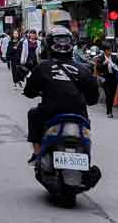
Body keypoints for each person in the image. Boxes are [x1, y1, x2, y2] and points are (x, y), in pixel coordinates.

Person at [22, 32, 99, 162]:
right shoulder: (83, 70)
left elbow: (29, 92)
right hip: (79, 115)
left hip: (50, 113)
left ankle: (37, 153)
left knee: (33, 114)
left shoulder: (43, 67)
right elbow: (93, 99)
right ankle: (86, 158)